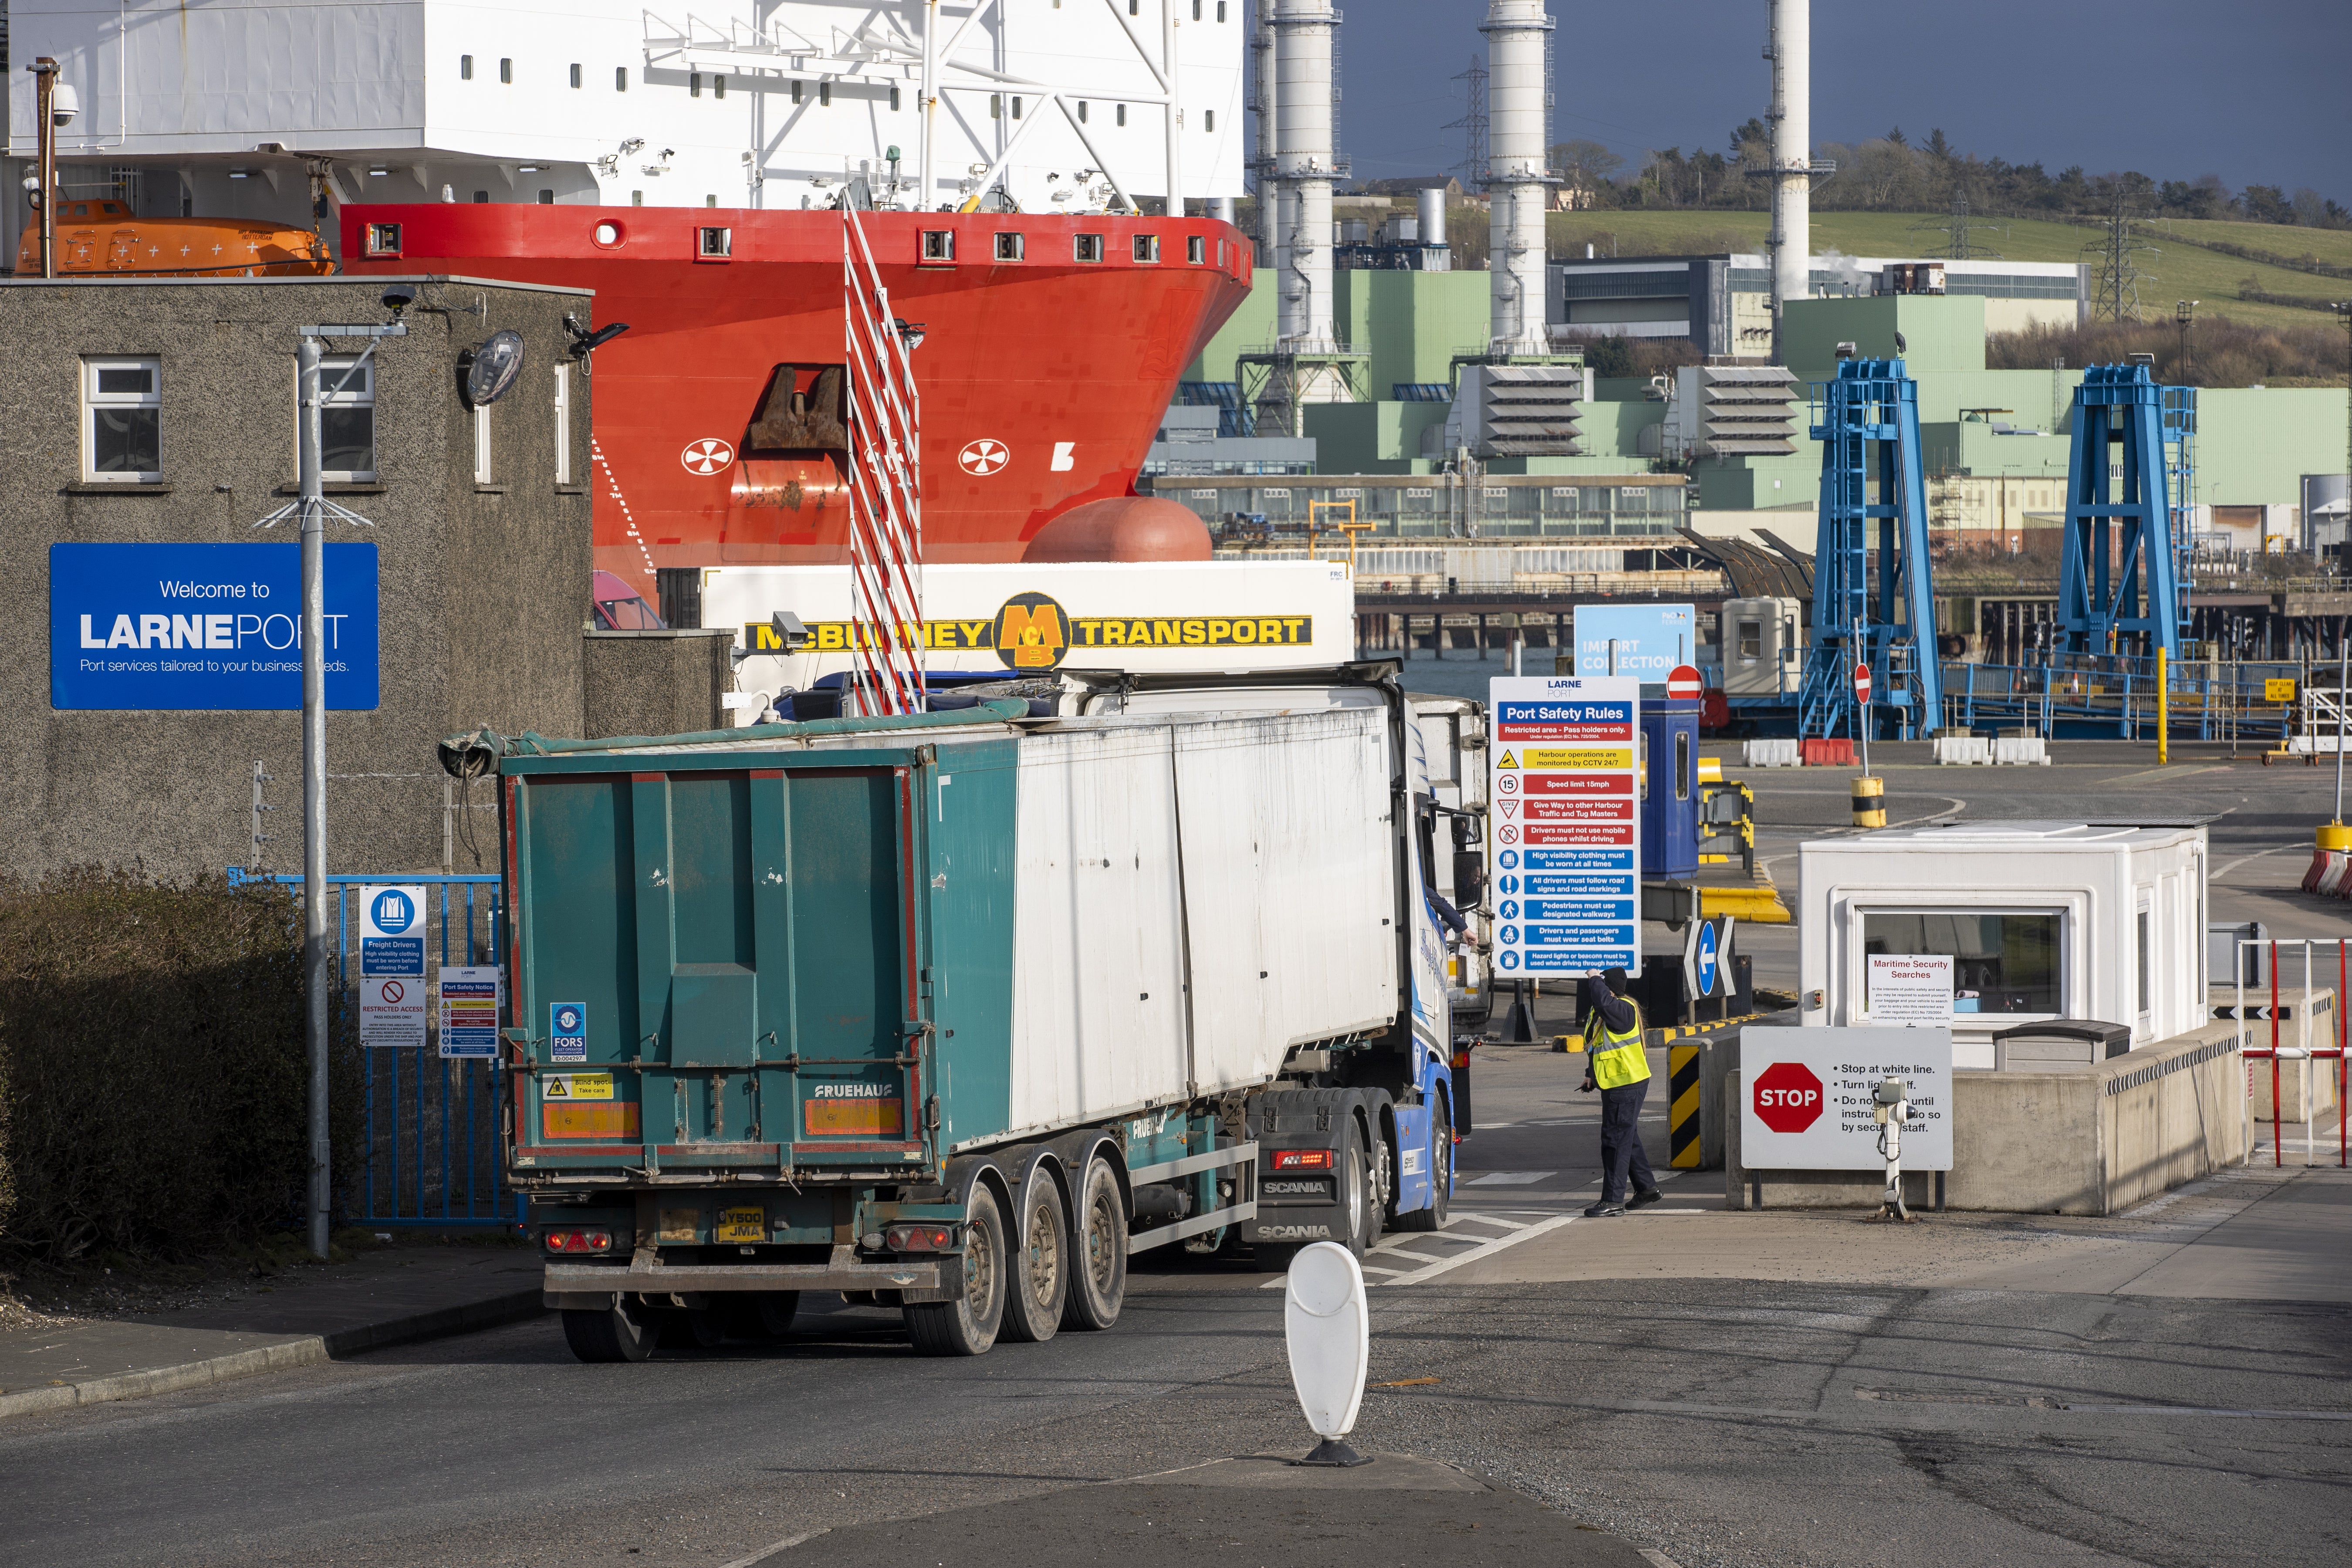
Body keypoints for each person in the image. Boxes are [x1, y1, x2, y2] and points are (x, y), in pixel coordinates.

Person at [1575, 968, 1661, 1217]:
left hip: (1627, 1084)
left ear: (1609, 988)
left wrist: (1593, 978)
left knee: (1614, 1141)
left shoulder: (1622, 1009)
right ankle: (1647, 1188)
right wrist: (1590, 1074)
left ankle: (1613, 1201)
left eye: (1602, 985)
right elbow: (1597, 1044)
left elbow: (1602, 1000)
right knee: (1627, 1138)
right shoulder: (1608, 1010)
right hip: (1618, 1083)